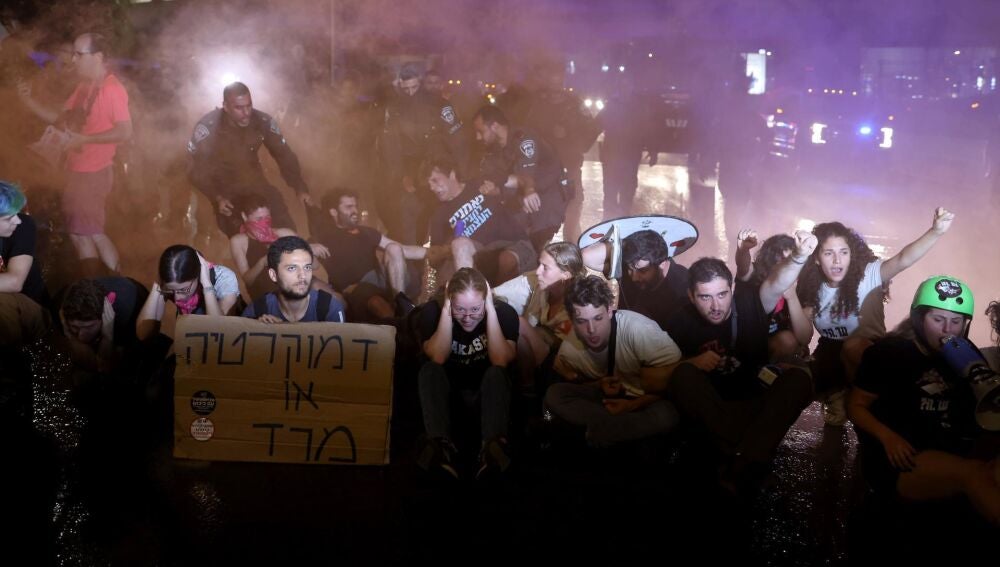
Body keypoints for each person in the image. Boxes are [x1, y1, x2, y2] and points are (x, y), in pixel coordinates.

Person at [664, 233, 817, 494]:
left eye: (722, 294)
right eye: (705, 297)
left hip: (752, 403)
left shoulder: (750, 302)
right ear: (691, 296)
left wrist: (800, 256)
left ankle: (734, 455)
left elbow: (777, 282)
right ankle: (747, 458)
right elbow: (663, 374)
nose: (716, 306)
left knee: (799, 379)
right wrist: (692, 362)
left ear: (732, 290)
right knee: (682, 374)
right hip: (710, 409)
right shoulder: (678, 320)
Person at [849, 276, 999, 526]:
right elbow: (856, 405)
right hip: (904, 456)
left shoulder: (967, 353)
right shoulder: (889, 353)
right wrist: (888, 438)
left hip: (948, 448)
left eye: (956, 321)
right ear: (919, 319)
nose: (947, 330)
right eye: (938, 319)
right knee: (975, 475)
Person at [797, 207, 955, 426]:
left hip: (870, 350)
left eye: (843, 252)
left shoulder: (869, 274)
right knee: (798, 381)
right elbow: (803, 336)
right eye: (828, 253)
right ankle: (835, 393)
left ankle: (865, 404)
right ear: (816, 258)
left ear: (851, 254)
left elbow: (903, 259)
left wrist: (935, 231)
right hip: (829, 351)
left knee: (853, 346)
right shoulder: (812, 287)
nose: (837, 260)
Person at [17, 32, 131, 274]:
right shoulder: (84, 87)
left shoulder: (112, 88)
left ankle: (114, 286)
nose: (73, 59)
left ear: (98, 56)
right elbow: (60, 118)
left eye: (79, 54)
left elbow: (125, 131)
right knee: (84, 234)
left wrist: (86, 139)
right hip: (78, 171)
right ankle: (103, 287)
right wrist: (27, 101)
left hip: (93, 173)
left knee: (90, 234)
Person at [545, 275, 682, 448]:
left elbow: (678, 382)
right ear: (571, 319)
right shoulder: (569, 350)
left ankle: (603, 433)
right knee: (555, 394)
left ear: (609, 311)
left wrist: (631, 405)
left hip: (646, 402)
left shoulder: (639, 329)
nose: (591, 330)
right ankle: (616, 432)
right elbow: (580, 390)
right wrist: (597, 384)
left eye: (598, 318)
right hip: (607, 405)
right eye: (581, 321)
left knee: (666, 415)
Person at [416, 268, 518, 480]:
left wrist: (489, 310)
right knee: (430, 370)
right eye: (460, 309)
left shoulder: (504, 313)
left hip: (487, 401)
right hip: (449, 401)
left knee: (496, 373)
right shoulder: (432, 312)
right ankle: (440, 448)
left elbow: (500, 360)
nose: (468, 317)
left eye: (475, 309)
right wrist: (447, 309)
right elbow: (438, 356)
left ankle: (492, 449)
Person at [187, 81, 312, 237]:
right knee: (236, 233)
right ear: (226, 107)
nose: (246, 113)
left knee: (281, 217)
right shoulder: (208, 128)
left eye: (249, 106)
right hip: (220, 186)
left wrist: (299, 187)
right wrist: (217, 197)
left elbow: (284, 155)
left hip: (253, 180)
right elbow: (195, 170)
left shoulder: (262, 121)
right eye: (239, 108)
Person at [376, 63, 469, 245]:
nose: (410, 93)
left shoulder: (441, 105)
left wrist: (461, 175)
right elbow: (390, 148)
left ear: (421, 82)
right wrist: (402, 176)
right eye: (406, 89)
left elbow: (459, 142)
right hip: (413, 173)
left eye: (414, 87)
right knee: (410, 216)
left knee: (447, 216)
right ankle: (415, 257)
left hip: (442, 169)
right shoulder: (394, 109)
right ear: (400, 86)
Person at [424, 155, 537, 285]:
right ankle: (472, 293)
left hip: (514, 245)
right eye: (429, 184)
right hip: (482, 260)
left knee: (507, 260)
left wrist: (529, 191)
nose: (432, 188)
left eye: (435, 180)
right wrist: (446, 250)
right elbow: (434, 258)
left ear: (452, 174)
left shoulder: (480, 183)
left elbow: (523, 179)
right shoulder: (439, 216)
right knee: (457, 253)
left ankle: (495, 295)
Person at [314, 189, 424, 321]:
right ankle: (398, 323)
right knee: (374, 300)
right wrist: (309, 248)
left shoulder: (366, 232)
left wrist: (437, 251)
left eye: (356, 206)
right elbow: (310, 264)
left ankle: (402, 304)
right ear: (334, 212)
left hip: (379, 280)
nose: (355, 210)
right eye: (349, 207)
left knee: (394, 249)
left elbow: (404, 250)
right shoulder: (324, 237)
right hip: (355, 289)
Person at [473, 105, 570, 251]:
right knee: (511, 245)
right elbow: (503, 182)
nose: (477, 137)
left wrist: (529, 190)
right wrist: (493, 190)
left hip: (548, 197)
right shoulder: (493, 152)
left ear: (494, 126)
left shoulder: (524, 138)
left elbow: (526, 174)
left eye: (481, 132)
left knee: (538, 246)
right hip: (521, 201)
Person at [494, 241, 586, 393]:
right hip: (533, 352)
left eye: (545, 267)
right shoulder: (536, 280)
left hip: (559, 367)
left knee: (518, 323)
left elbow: (571, 355)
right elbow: (496, 294)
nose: (538, 271)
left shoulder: (580, 304)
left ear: (565, 275)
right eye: (539, 264)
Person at [582, 228, 690, 329]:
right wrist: (627, 244)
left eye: (642, 271)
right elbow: (587, 256)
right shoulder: (635, 264)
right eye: (630, 269)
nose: (634, 278)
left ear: (662, 264)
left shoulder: (683, 291)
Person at [229, 193, 330, 301]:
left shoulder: (285, 233)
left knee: (331, 296)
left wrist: (305, 249)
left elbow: (315, 266)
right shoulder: (239, 241)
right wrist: (262, 263)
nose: (264, 222)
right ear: (244, 217)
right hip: (268, 294)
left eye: (267, 218)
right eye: (259, 219)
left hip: (296, 284)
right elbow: (248, 280)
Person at [136, 245, 241, 341]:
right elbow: (143, 334)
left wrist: (206, 284)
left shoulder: (224, 278)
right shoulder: (171, 284)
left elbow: (219, 334)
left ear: (198, 274)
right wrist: (158, 284)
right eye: (172, 291)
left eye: (183, 290)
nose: (177, 298)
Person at [735, 230, 811, 361]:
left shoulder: (800, 287)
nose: (787, 268)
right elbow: (744, 268)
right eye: (782, 261)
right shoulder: (755, 275)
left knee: (788, 341)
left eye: (791, 262)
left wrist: (791, 296)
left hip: (774, 347)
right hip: (743, 343)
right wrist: (743, 249)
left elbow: (805, 338)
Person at [241, 236, 345, 323]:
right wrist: (258, 329)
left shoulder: (329, 307)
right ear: (273, 275)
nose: (302, 275)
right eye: (292, 268)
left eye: (307, 267)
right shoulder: (256, 310)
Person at [59, 276, 148, 374]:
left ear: (105, 316)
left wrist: (107, 337)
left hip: (136, 308)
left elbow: (103, 367)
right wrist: (68, 331)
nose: (81, 336)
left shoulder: (124, 317)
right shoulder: (65, 306)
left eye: (89, 327)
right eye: (75, 327)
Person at [0, 181, 49, 345]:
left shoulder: (24, 226)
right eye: (9, 218)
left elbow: (15, 282)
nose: (17, 220)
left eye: (16, 213)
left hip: (32, 313)